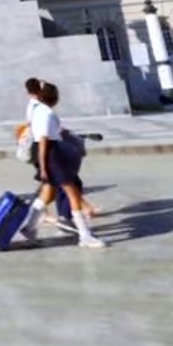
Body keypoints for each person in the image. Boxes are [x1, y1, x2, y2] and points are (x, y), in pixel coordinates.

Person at [18, 83, 105, 248]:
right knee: (72, 192)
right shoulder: (46, 113)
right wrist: (44, 167)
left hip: (48, 152)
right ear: (55, 98)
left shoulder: (38, 110)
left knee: (47, 193)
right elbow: (43, 140)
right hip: (52, 154)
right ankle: (84, 236)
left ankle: (29, 228)